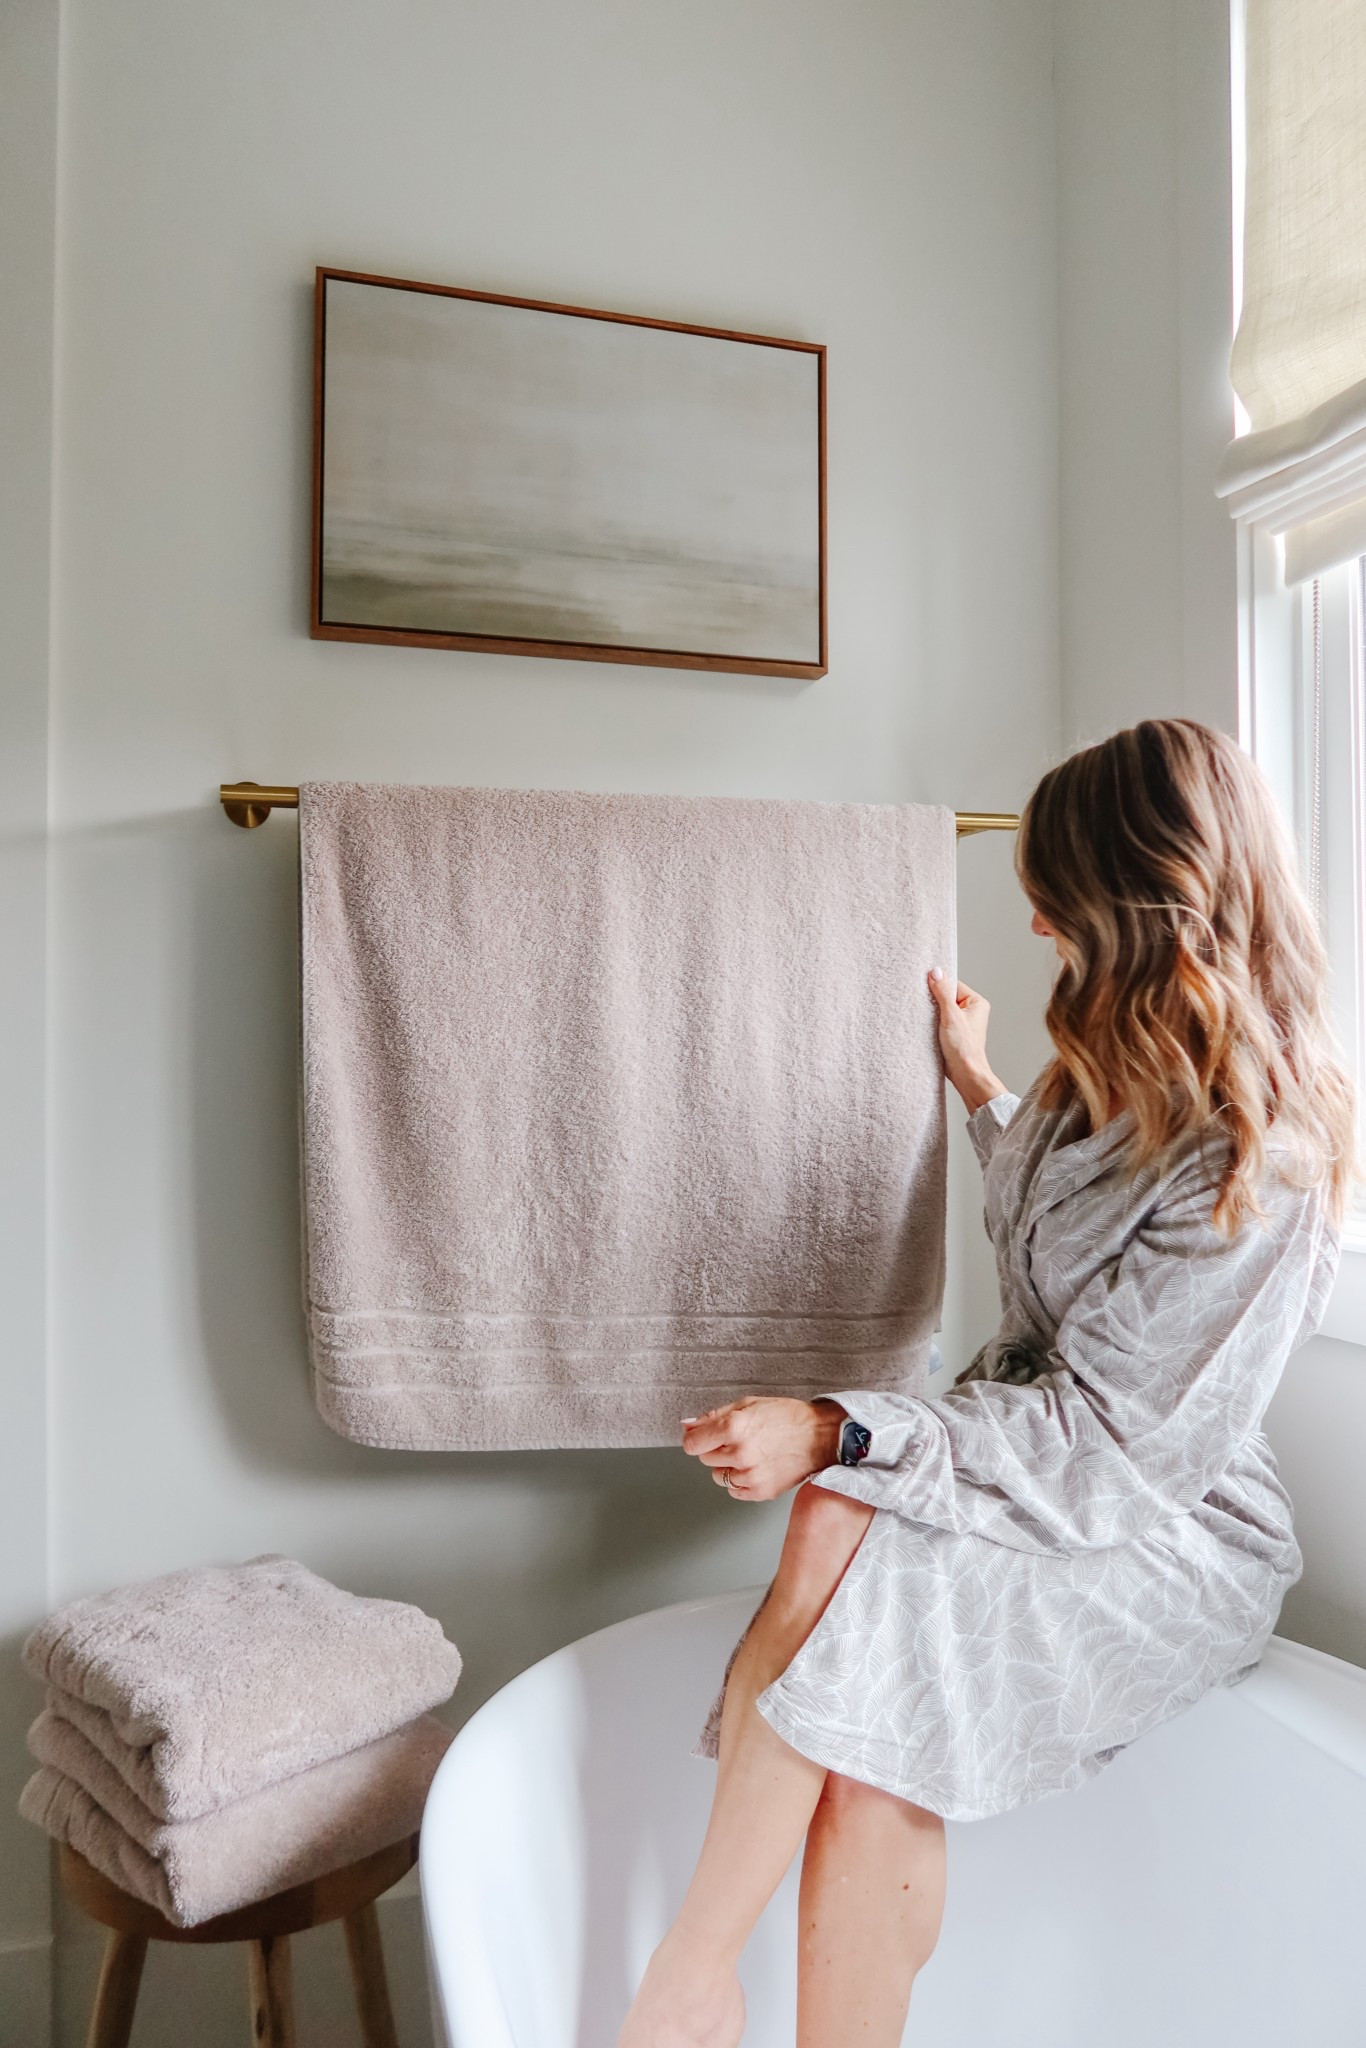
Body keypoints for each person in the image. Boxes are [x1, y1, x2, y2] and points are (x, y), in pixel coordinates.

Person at [616, 719, 1355, 2048]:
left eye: (1055, 894)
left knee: (850, 1550)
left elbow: (1110, 1441)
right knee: (840, 1521)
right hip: (1051, 1459)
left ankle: (684, 1987)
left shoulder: (1265, 1158)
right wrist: (979, 1084)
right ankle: (693, 1975)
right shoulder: (1111, 1062)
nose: (1028, 921)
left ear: (1145, 897)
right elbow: (1063, 1224)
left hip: (1162, 1523)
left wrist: (841, 1424)